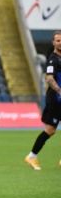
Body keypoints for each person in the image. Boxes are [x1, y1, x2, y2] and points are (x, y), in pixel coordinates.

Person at [25, 30, 61, 170]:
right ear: (53, 42)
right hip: (55, 100)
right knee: (50, 130)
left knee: (50, 131)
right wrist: (59, 90)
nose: (60, 42)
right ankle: (32, 156)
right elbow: (49, 78)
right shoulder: (53, 59)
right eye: (57, 40)